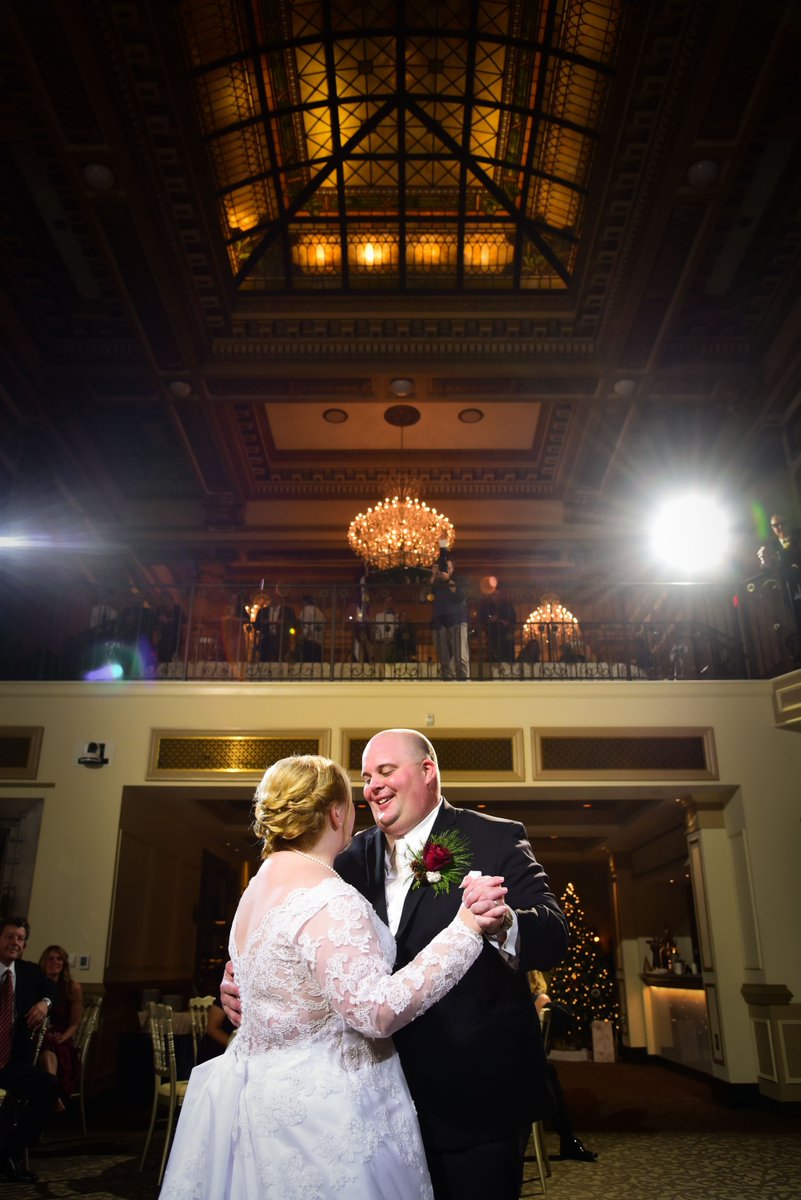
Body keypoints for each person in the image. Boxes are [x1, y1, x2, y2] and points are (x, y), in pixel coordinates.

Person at [222, 729, 568, 1200]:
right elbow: (295, 933)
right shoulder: (345, 856)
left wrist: (503, 922)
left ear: (428, 771)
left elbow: (553, 933)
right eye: (366, 777)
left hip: (474, 1095)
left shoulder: (494, 837)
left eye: (386, 772)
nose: (373, 787)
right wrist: (244, 980)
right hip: (369, 1104)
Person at [161, 753, 503, 1200]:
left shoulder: (256, 888)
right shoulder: (327, 896)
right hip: (329, 1116)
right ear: (336, 812)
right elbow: (375, 1012)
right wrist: (465, 930)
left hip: (258, 1102)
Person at [0, 918, 59, 1183]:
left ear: (24, 945)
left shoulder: (28, 972)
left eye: (20, 939)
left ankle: (9, 1152)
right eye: (10, 936)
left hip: (10, 1062)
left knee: (49, 1086)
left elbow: (52, 990)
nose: (15, 943)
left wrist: (44, 1003)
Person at [528, 970, 598, 1163]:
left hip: (523, 1063)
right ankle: (567, 1138)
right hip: (522, 1064)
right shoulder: (533, 999)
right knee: (547, 1072)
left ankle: (566, 1138)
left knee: (546, 1072)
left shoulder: (537, 1000)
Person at [37, 944, 83, 1112]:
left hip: (61, 1035)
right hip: (38, 1033)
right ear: (43, 962)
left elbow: (75, 1023)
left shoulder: (72, 988)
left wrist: (64, 1037)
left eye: (59, 959)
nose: (55, 962)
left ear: (64, 963)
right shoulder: (36, 984)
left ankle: (53, 1095)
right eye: (50, 958)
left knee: (51, 1050)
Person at [430, 552, 470, 680]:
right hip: (439, 622)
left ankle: (464, 685)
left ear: (452, 568)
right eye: (443, 568)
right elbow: (424, 597)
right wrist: (433, 576)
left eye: (448, 568)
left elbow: (461, 596)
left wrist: (447, 579)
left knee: (460, 657)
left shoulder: (459, 580)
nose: (445, 570)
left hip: (457, 620)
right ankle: (448, 684)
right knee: (444, 660)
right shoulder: (435, 583)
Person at [479, 585, 517, 662]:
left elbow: (513, 618)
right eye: (494, 595)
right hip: (493, 635)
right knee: (494, 656)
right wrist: (490, 620)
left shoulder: (507, 606)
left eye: (499, 595)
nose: (497, 597)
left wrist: (506, 622)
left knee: (507, 656)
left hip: (506, 636)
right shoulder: (487, 606)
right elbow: (482, 619)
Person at [297, 595, 325, 663]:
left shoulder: (306, 610)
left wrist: (302, 637)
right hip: (319, 642)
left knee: (307, 665)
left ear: (305, 602)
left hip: (309, 642)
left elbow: (306, 625)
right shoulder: (319, 612)